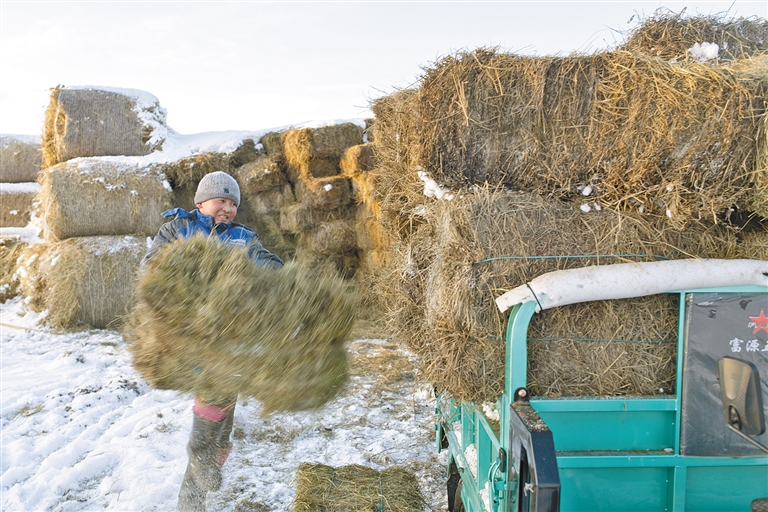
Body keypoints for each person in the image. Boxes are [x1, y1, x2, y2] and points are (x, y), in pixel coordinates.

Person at [141, 171, 284, 511]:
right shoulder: (178, 229)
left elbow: (268, 264)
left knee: (221, 426)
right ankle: (193, 486)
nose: (228, 208)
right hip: (193, 334)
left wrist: (276, 275)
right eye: (221, 200)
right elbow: (151, 267)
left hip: (231, 335)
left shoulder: (242, 237)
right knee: (214, 401)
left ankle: (195, 494)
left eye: (233, 203)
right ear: (201, 202)